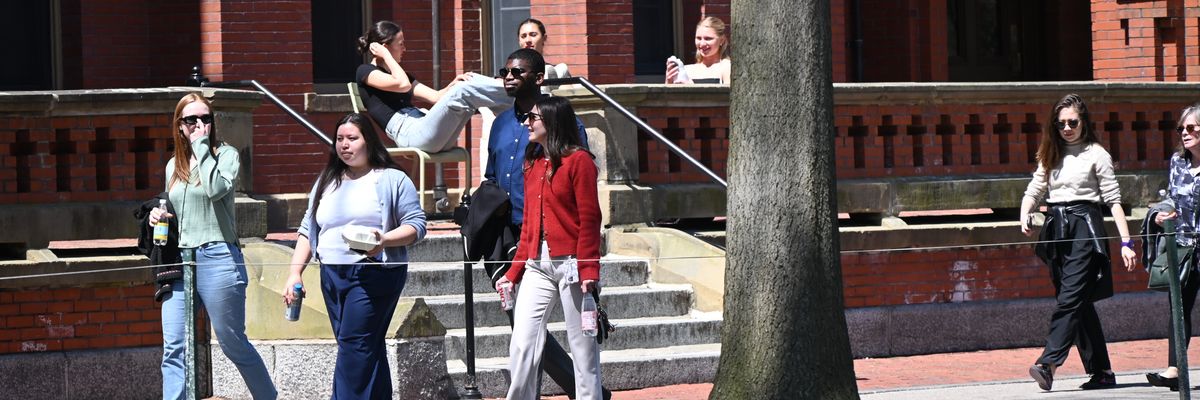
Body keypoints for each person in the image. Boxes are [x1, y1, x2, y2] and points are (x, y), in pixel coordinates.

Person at [484, 48, 609, 400]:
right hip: (536, 263)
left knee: (582, 348)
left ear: (551, 122)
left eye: (534, 118)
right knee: (522, 342)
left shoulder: (578, 161)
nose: (527, 123)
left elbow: (590, 218)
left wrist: (589, 268)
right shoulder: (533, 162)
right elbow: (530, 224)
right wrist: (513, 272)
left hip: (572, 264)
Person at [281, 113, 427, 399]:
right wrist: (295, 272)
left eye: (352, 138)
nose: (344, 145)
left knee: (354, 346)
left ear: (368, 141)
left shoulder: (391, 178)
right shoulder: (327, 180)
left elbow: (417, 225)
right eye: (339, 139)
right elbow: (308, 229)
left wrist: (384, 241)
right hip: (332, 274)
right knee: (364, 347)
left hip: (373, 272)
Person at [148, 93, 277, 400]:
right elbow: (173, 208)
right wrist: (157, 214)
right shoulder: (173, 165)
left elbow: (215, 189)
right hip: (180, 260)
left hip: (218, 256)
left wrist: (202, 147)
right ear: (179, 126)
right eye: (191, 120)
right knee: (174, 345)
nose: (199, 125)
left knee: (233, 343)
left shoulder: (226, 155)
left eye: (205, 118)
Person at [1020, 93, 1137, 392]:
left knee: (1070, 298)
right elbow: (1035, 187)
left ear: (1084, 122)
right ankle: (1103, 372)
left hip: (1086, 225)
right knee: (1078, 301)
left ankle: (1048, 364)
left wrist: (1126, 242)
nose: (1067, 129)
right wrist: (1025, 213)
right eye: (1061, 124)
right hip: (1056, 227)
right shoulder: (1051, 151)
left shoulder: (1097, 153)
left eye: (1072, 122)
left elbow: (1113, 200)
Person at [357, 20, 511, 152]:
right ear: (385, 47)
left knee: (468, 80)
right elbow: (402, 85)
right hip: (410, 134)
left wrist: (452, 85)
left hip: (427, 128)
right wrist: (386, 55)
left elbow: (435, 97)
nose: (405, 49)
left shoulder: (401, 75)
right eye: (401, 44)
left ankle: (515, 102)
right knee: (462, 91)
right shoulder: (366, 71)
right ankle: (517, 96)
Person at [1145, 103, 1200, 391]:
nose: (1184, 133)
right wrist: (1161, 214)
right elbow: (1173, 199)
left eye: (1191, 128)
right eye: (1181, 129)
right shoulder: (1178, 162)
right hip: (1183, 247)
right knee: (1178, 307)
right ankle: (1175, 369)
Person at [664, 16, 731, 84]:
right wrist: (669, 83)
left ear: (722, 40)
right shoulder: (686, 70)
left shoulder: (727, 67)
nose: (702, 43)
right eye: (698, 38)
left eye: (708, 39)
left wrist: (690, 87)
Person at [516, 18, 570, 91]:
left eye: (533, 35)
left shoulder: (557, 71)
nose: (528, 40)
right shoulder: (510, 75)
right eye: (523, 36)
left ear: (544, 38)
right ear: (519, 41)